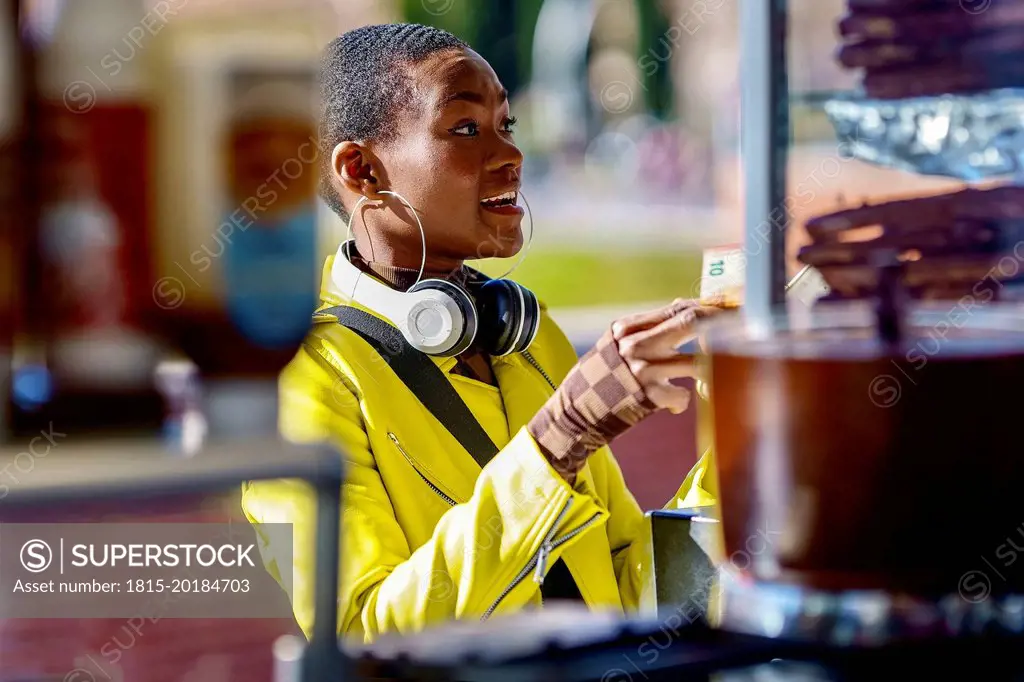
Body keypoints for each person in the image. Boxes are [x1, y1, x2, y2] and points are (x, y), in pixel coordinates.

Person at [241, 22, 724, 644]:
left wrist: (748, 434)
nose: (511, 156)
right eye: (466, 129)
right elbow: (366, 637)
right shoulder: (300, 381)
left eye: (506, 126)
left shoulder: (526, 337)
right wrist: (561, 437)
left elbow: (629, 591)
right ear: (361, 170)